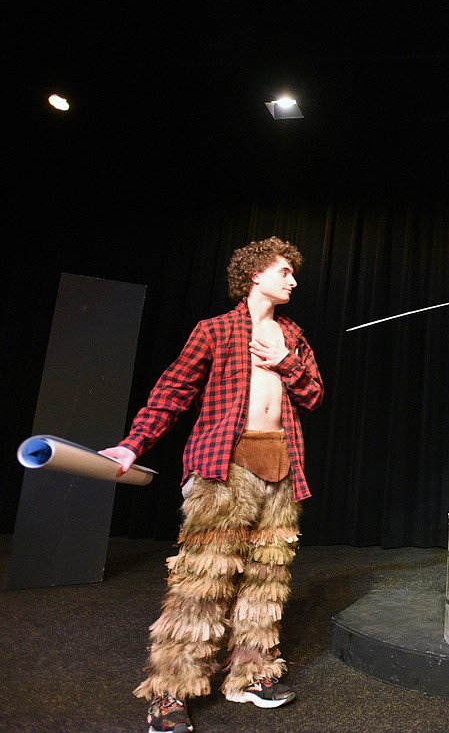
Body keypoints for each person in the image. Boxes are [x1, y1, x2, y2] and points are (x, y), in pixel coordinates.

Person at [100, 236, 324, 733]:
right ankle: (170, 692)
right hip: (225, 469)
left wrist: (285, 359)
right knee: (202, 583)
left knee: (267, 581)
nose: (293, 280)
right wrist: (133, 444)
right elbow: (171, 393)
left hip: (281, 467)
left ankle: (251, 675)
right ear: (255, 275)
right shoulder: (216, 330)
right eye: (284, 271)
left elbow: (313, 395)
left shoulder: (293, 335)